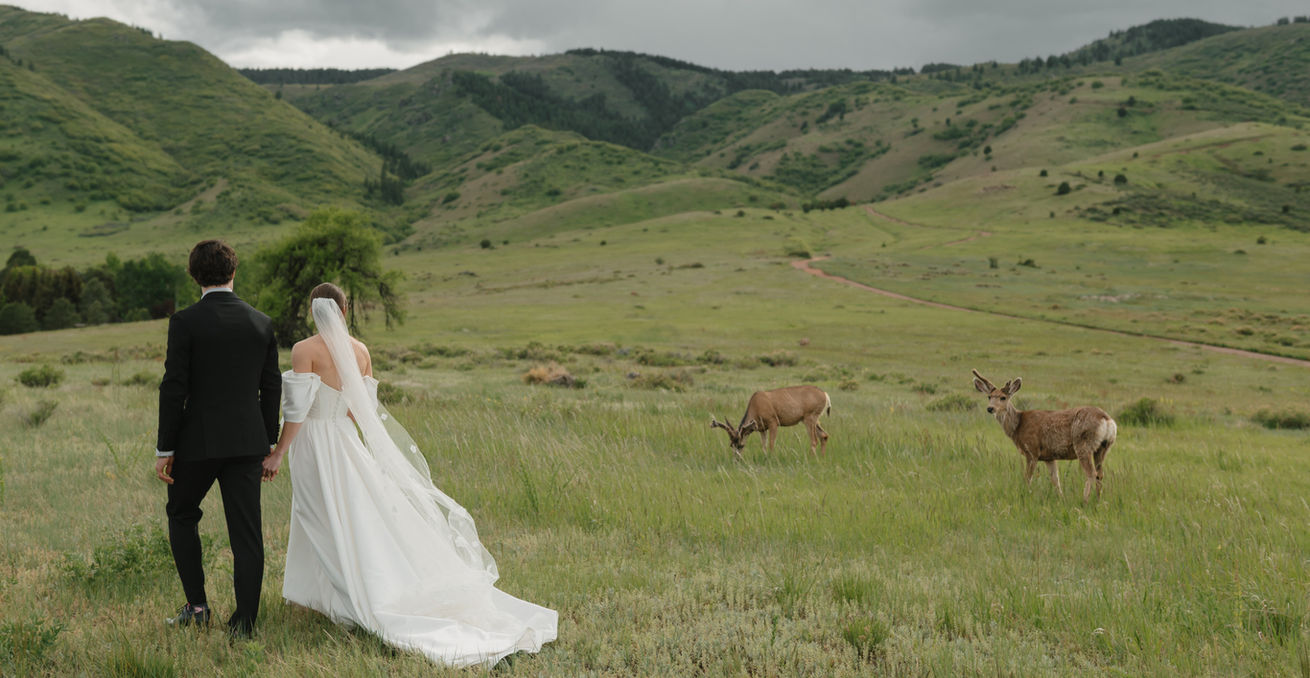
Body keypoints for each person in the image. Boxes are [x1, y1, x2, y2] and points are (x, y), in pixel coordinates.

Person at [261, 283, 556, 668]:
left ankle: (351, 600)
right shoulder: (361, 351)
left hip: (315, 445)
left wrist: (279, 452)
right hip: (346, 442)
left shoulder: (304, 350)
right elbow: (359, 409)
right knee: (349, 517)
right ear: (344, 310)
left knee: (319, 517)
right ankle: (326, 598)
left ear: (312, 311)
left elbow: (297, 411)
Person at [155, 239, 281, 638]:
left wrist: (165, 448)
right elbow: (271, 387)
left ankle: (197, 607)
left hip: (197, 444)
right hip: (248, 444)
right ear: (234, 272)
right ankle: (244, 624)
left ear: (194, 276)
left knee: (181, 513)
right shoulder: (261, 322)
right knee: (247, 535)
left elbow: (174, 387)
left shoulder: (185, 322)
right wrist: (268, 443)